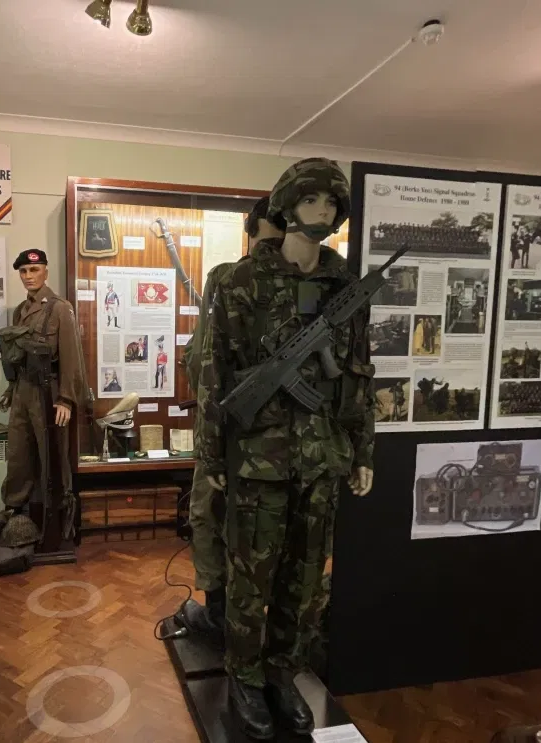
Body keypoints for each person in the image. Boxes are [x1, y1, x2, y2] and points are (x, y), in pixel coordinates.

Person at [198, 158, 376, 740]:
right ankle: (245, 677)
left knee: (304, 581)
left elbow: (358, 374)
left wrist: (363, 450)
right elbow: (214, 372)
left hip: (322, 458)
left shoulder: (346, 286)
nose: (321, 212)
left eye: (331, 203)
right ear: (286, 205)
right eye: (310, 200)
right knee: (252, 579)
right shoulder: (240, 281)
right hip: (258, 458)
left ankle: (282, 673)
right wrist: (212, 456)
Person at [176, 195, 282, 646]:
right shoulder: (309, 284)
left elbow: (200, 360)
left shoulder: (225, 279)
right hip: (281, 440)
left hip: (227, 432)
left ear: (249, 228)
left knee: (209, 515)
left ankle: (220, 615)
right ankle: (259, 619)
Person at [0, 249, 87, 552]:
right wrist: (11, 389)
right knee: (18, 453)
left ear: (45, 272)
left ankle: (58, 519)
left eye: (34, 270)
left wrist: (66, 399)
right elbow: (15, 354)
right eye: (23, 271)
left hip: (49, 392)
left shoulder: (60, 308)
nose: (28, 276)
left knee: (53, 455)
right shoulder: (20, 311)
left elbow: (72, 357)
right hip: (23, 390)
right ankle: (16, 512)